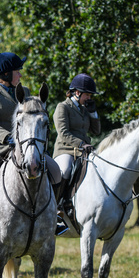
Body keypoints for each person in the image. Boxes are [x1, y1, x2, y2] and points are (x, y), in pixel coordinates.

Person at [0, 52, 62, 239]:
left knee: (55, 170)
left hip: (23, 147)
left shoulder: (23, 93)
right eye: (17, 71)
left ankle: (54, 215)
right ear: (6, 74)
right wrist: (9, 137)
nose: (20, 75)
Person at [53, 73, 101, 207]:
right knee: (65, 169)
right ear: (78, 92)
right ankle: (57, 205)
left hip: (84, 150)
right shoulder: (63, 107)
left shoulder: (85, 110)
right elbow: (63, 133)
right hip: (66, 150)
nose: (89, 98)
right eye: (88, 95)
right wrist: (81, 144)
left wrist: (93, 113)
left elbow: (96, 131)